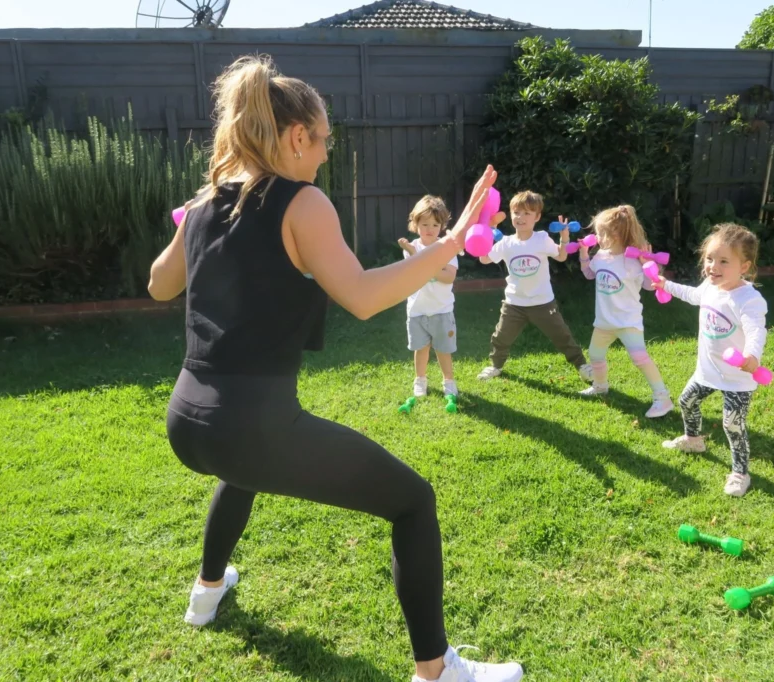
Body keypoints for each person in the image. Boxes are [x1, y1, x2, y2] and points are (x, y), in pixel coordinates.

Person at [146, 54, 522, 682]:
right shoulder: (304, 202)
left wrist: (198, 214)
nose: (324, 154)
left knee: (241, 473)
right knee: (412, 502)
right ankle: (437, 673)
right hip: (252, 424)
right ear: (297, 137)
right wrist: (450, 244)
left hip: (188, 420)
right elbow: (365, 296)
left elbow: (160, 285)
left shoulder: (213, 200)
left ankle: (207, 592)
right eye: (322, 141)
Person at [652, 223, 768, 497]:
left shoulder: (748, 299)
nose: (713, 266)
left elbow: (756, 330)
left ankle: (740, 472)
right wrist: (665, 284)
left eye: (724, 261)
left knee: (732, 424)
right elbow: (693, 295)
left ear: (744, 266)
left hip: (738, 377)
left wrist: (752, 356)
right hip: (708, 369)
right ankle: (694, 440)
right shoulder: (710, 286)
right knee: (687, 401)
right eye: (710, 259)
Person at [475, 190, 592, 387]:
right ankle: (496, 365)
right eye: (517, 213)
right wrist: (485, 235)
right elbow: (485, 259)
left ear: (537, 217)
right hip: (514, 303)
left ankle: (582, 365)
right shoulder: (506, 243)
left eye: (527, 213)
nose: (521, 217)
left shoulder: (541, 239)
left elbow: (561, 256)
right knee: (501, 337)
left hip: (542, 302)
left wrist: (564, 237)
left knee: (562, 336)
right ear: (511, 215)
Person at [576, 205, 673, 418]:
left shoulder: (633, 262)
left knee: (640, 359)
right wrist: (584, 254)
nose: (597, 237)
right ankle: (600, 386)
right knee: (595, 354)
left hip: (628, 322)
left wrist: (648, 264)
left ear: (617, 234)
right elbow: (589, 274)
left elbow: (650, 286)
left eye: (601, 233)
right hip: (603, 322)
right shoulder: (601, 256)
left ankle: (662, 398)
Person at [398, 196, 459, 399]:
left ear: (442, 226)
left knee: (443, 350)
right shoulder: (412, 248)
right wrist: (415, 255)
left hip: (441, 310)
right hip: (417, 310)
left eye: (435, 224)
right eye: (424, 224)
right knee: (421, 348)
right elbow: (413, 273)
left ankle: (448, 381)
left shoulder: (447, 248)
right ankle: (420, 380)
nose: (430, 228)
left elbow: (448, 277)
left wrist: (423, 262)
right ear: (415, 225)